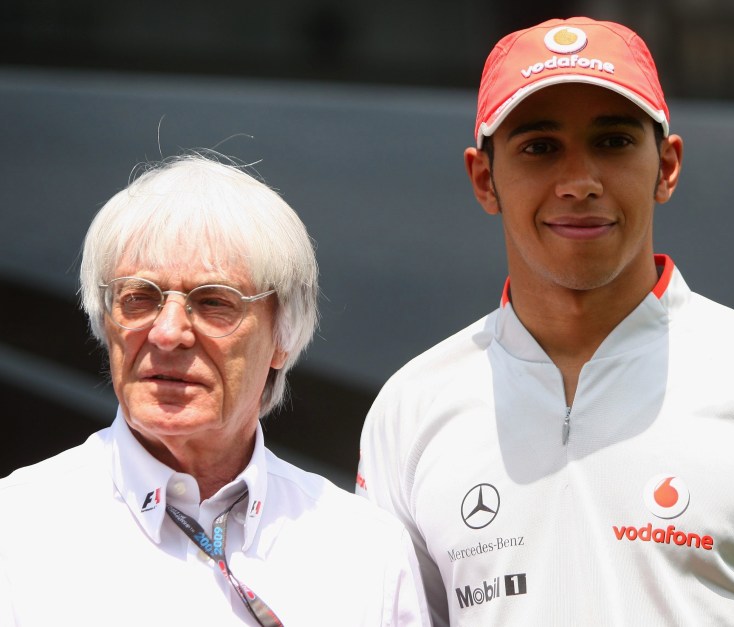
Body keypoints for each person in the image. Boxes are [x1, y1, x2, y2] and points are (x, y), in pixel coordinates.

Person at [355, 17, 734, 627]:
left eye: (612, 141)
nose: (580, 183)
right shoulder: (410, 408)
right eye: (540, 146)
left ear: (666, 166)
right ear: (485, 179)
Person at [0, 154, 430, 626]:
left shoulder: (364, 552)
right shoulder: (17, 530)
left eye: (214, 303)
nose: (167, 333)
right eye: (139, 298)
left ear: (282, 338)